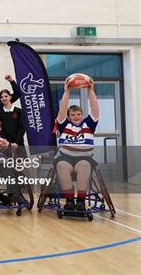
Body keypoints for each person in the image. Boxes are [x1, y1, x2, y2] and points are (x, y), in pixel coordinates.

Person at [54, 79, 99, 211]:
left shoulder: (89, 124)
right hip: (65, 157)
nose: (76, 116)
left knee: (84, 165)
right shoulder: (64, 125)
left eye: (79, 114)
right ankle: (69, 199)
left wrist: (90, 90)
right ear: (68, 116)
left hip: (84, 158)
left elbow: (95, 108)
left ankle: (80, 201)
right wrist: (67, 90)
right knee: (61, 165)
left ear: (82, 115)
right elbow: (62, 108)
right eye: (73, 114)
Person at [0, 89, 26, 157]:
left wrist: (16, 143)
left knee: (21, 166)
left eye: (6, 96)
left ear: (10, 97)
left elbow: (22, 127)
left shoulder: (18, 111)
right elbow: (0, 130)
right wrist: (8, 143)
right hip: (5, 145)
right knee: (7, 166)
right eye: (2, 97)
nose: (4, 98)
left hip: (19, 144)